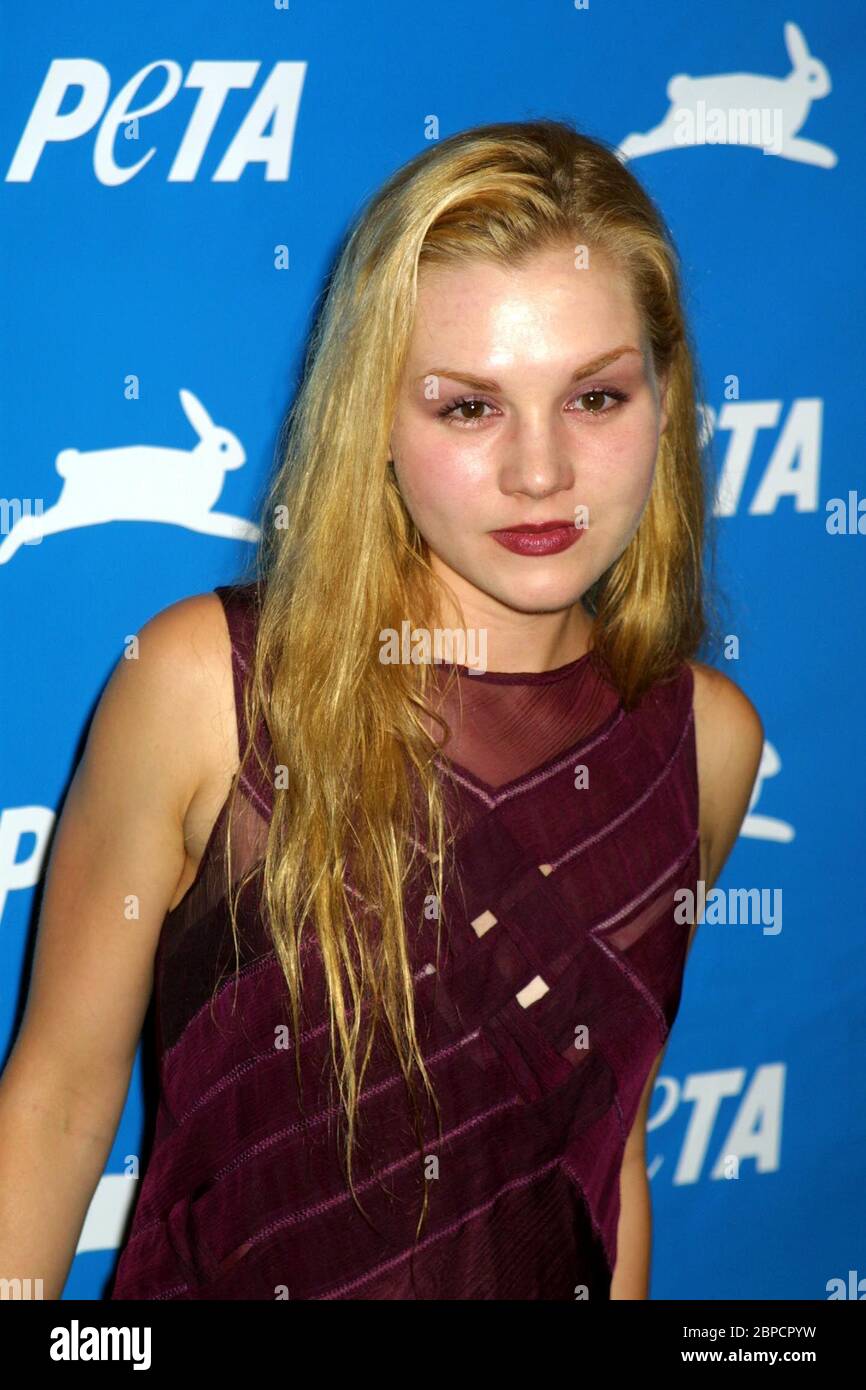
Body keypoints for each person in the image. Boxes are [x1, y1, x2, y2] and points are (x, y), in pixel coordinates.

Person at [0, 119, 763, 1301]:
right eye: (468, 407)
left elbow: (602, 1154)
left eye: (595, 396)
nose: (540, 472)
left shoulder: (705, 739)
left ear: (664, 405)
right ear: (376, 423)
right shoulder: (207, 687)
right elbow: (52, 1105)